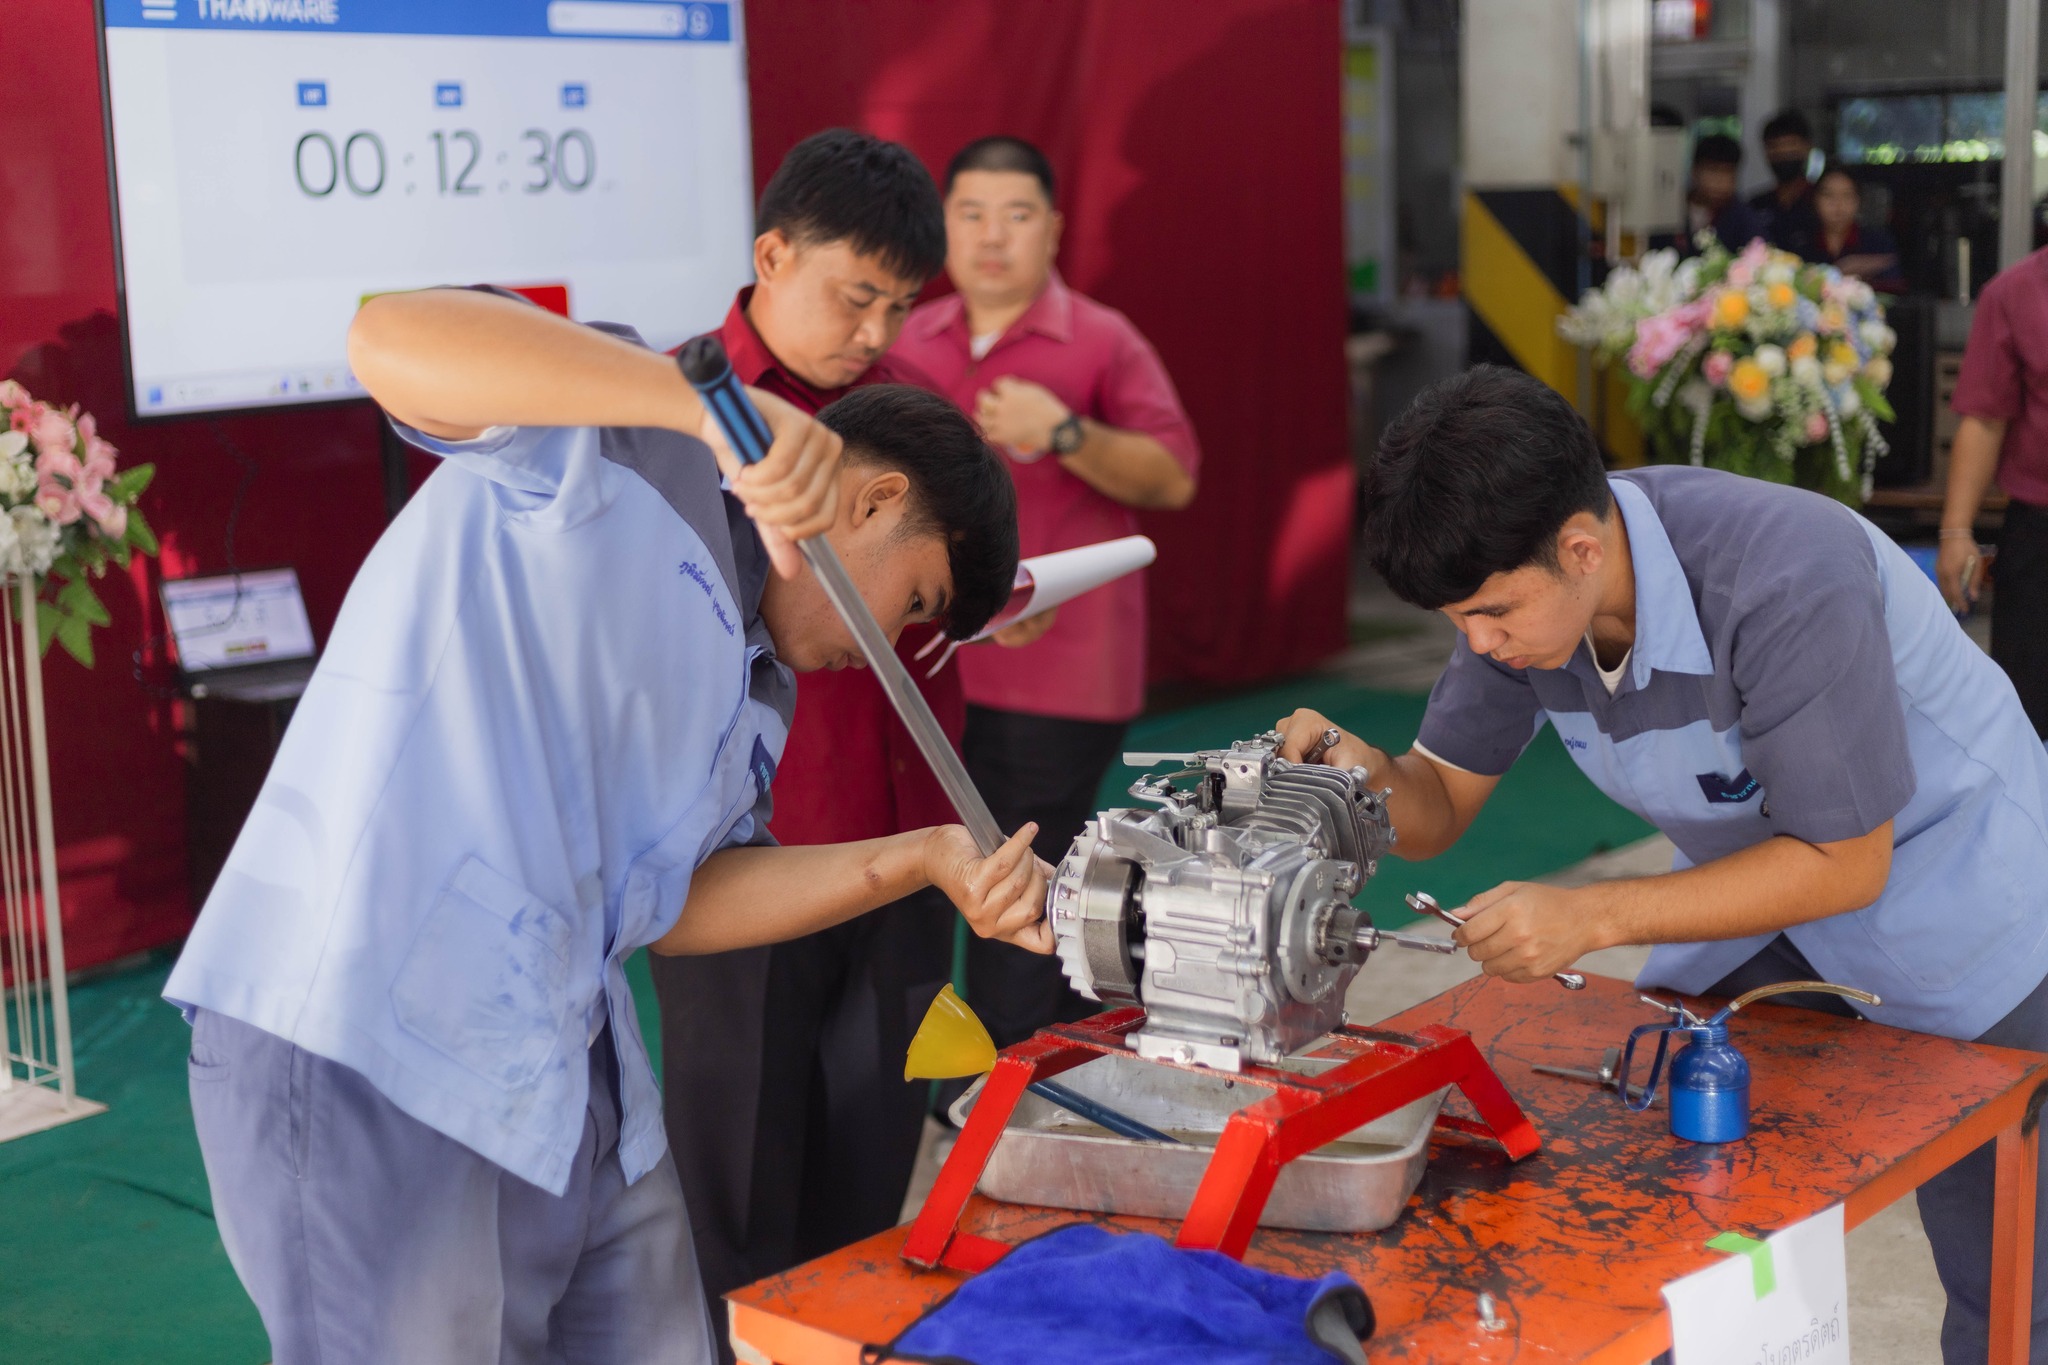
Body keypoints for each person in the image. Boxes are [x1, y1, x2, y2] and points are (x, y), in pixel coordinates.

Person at [163, 284, 1048, 1364]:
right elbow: (385, 336)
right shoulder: (628, 439)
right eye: (912, 601)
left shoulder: (760, 688)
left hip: (562, 1066)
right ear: (869, 503)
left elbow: (684, 902)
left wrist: (921, 859)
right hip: (368, 1027)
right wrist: (689, 401)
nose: (884, 648)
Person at [1279, 365, 2048, 1365]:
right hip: (1762, 907)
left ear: (1582, 549)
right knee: (1663, 1196)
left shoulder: (1783, 576)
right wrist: (1363, 770)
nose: (1477, 643)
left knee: (2006, 1273)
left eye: (1493, 615)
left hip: (1957, 903)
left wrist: (1592, 917)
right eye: (1456, 623)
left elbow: (1842, 863)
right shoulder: (1523, 588)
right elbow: (1430, 807)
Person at [644, 128, 988, 1361]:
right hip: (751, 849)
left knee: (867, 1158)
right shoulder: (671, 427)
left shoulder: (892, 430)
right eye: (855, 296)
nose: (871, 331)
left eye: (895, 307)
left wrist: (953, 614)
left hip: (903, 843)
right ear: (770, 255)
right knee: (735, 1172)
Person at [893, 135, 1200, 1053]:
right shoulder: (905, 337)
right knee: (923, 892)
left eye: (1017, 215)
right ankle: (964, 1089)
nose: (993, 236)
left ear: (1055, 227)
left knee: (1027, 901)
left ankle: (1008, 1100)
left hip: (1059, 683)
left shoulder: (1102, 339)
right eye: (972, 214)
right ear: (942, 226)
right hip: (924, 675)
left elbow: (1173, 475)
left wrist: (1064, 429)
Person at [1940, 244, 2048, 738]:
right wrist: (1956, 530)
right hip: (2039, 529)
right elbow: (1985, 419)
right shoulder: (2014, 292)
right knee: (2028, 711)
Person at [1795, 163, 1904, 291]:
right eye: (1829, 195)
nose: (1838, 205)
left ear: (1858, 201)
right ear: (1815, 200)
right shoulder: (1801, 243)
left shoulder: (1878, 241)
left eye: (1847, 195)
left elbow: (1896, 286)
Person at [1661, 133, 1766, 255]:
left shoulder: (1742, 216)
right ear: (1695, 171)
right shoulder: (1669, 210)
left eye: (1728, 172)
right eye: (1713, 170)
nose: (1721, 181)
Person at [1749, 109, 1821, 251]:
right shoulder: (1755, 206)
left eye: (1790, 145)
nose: (1783, 153)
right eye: (1775, 147)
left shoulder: (1821, 201)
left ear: (1807, 147)